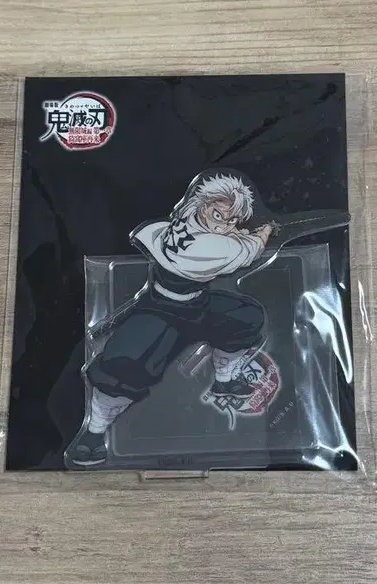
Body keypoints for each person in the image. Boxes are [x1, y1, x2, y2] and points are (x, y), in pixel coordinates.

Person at [66, 173, 276, 467]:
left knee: (245, 317)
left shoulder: (186, 222)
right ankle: (92, 434)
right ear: (201, 204)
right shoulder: (210, 246)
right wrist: (265, 231)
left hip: (197, 305)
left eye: (230, 221)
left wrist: (238, 228)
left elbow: (230, 241)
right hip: (162, 312)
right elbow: (248, 250)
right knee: (126, 363)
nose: (222, 225)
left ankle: (224, 382)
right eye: (218, 214)